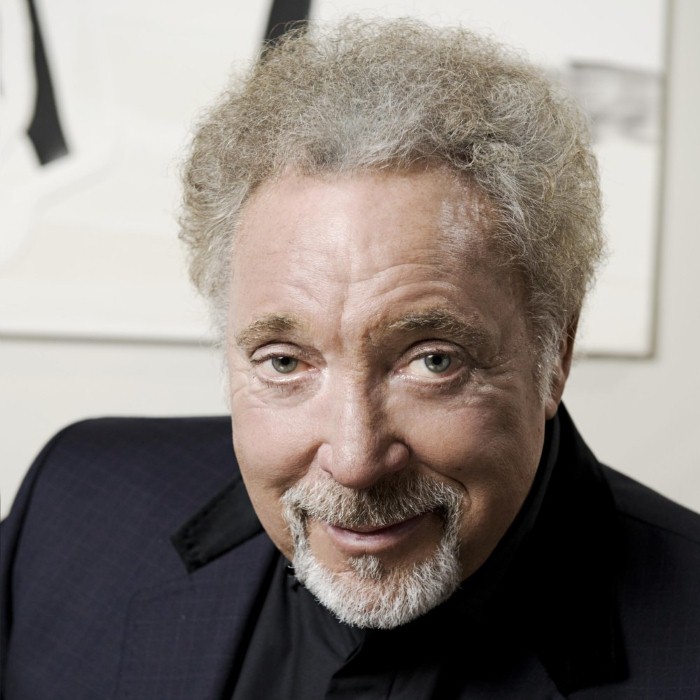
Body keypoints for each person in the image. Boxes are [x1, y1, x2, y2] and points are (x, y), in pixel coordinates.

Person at [2, 16, 699, 700]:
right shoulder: (73, 510)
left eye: (433, 362)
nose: (356, 460)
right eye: (284, 362)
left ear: (555, 353)